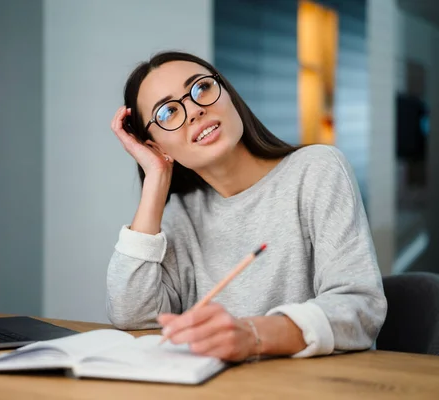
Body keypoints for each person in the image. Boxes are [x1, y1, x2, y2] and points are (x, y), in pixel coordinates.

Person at [106, 51, 387, 362]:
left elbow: (360, 309)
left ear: (227, 94)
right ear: (156, 146)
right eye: (168, 112)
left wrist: (252, 335)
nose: (196, 110)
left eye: (201, 88)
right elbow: (131, 315)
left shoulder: (318, 170)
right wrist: (156, 180)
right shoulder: (181, 215)